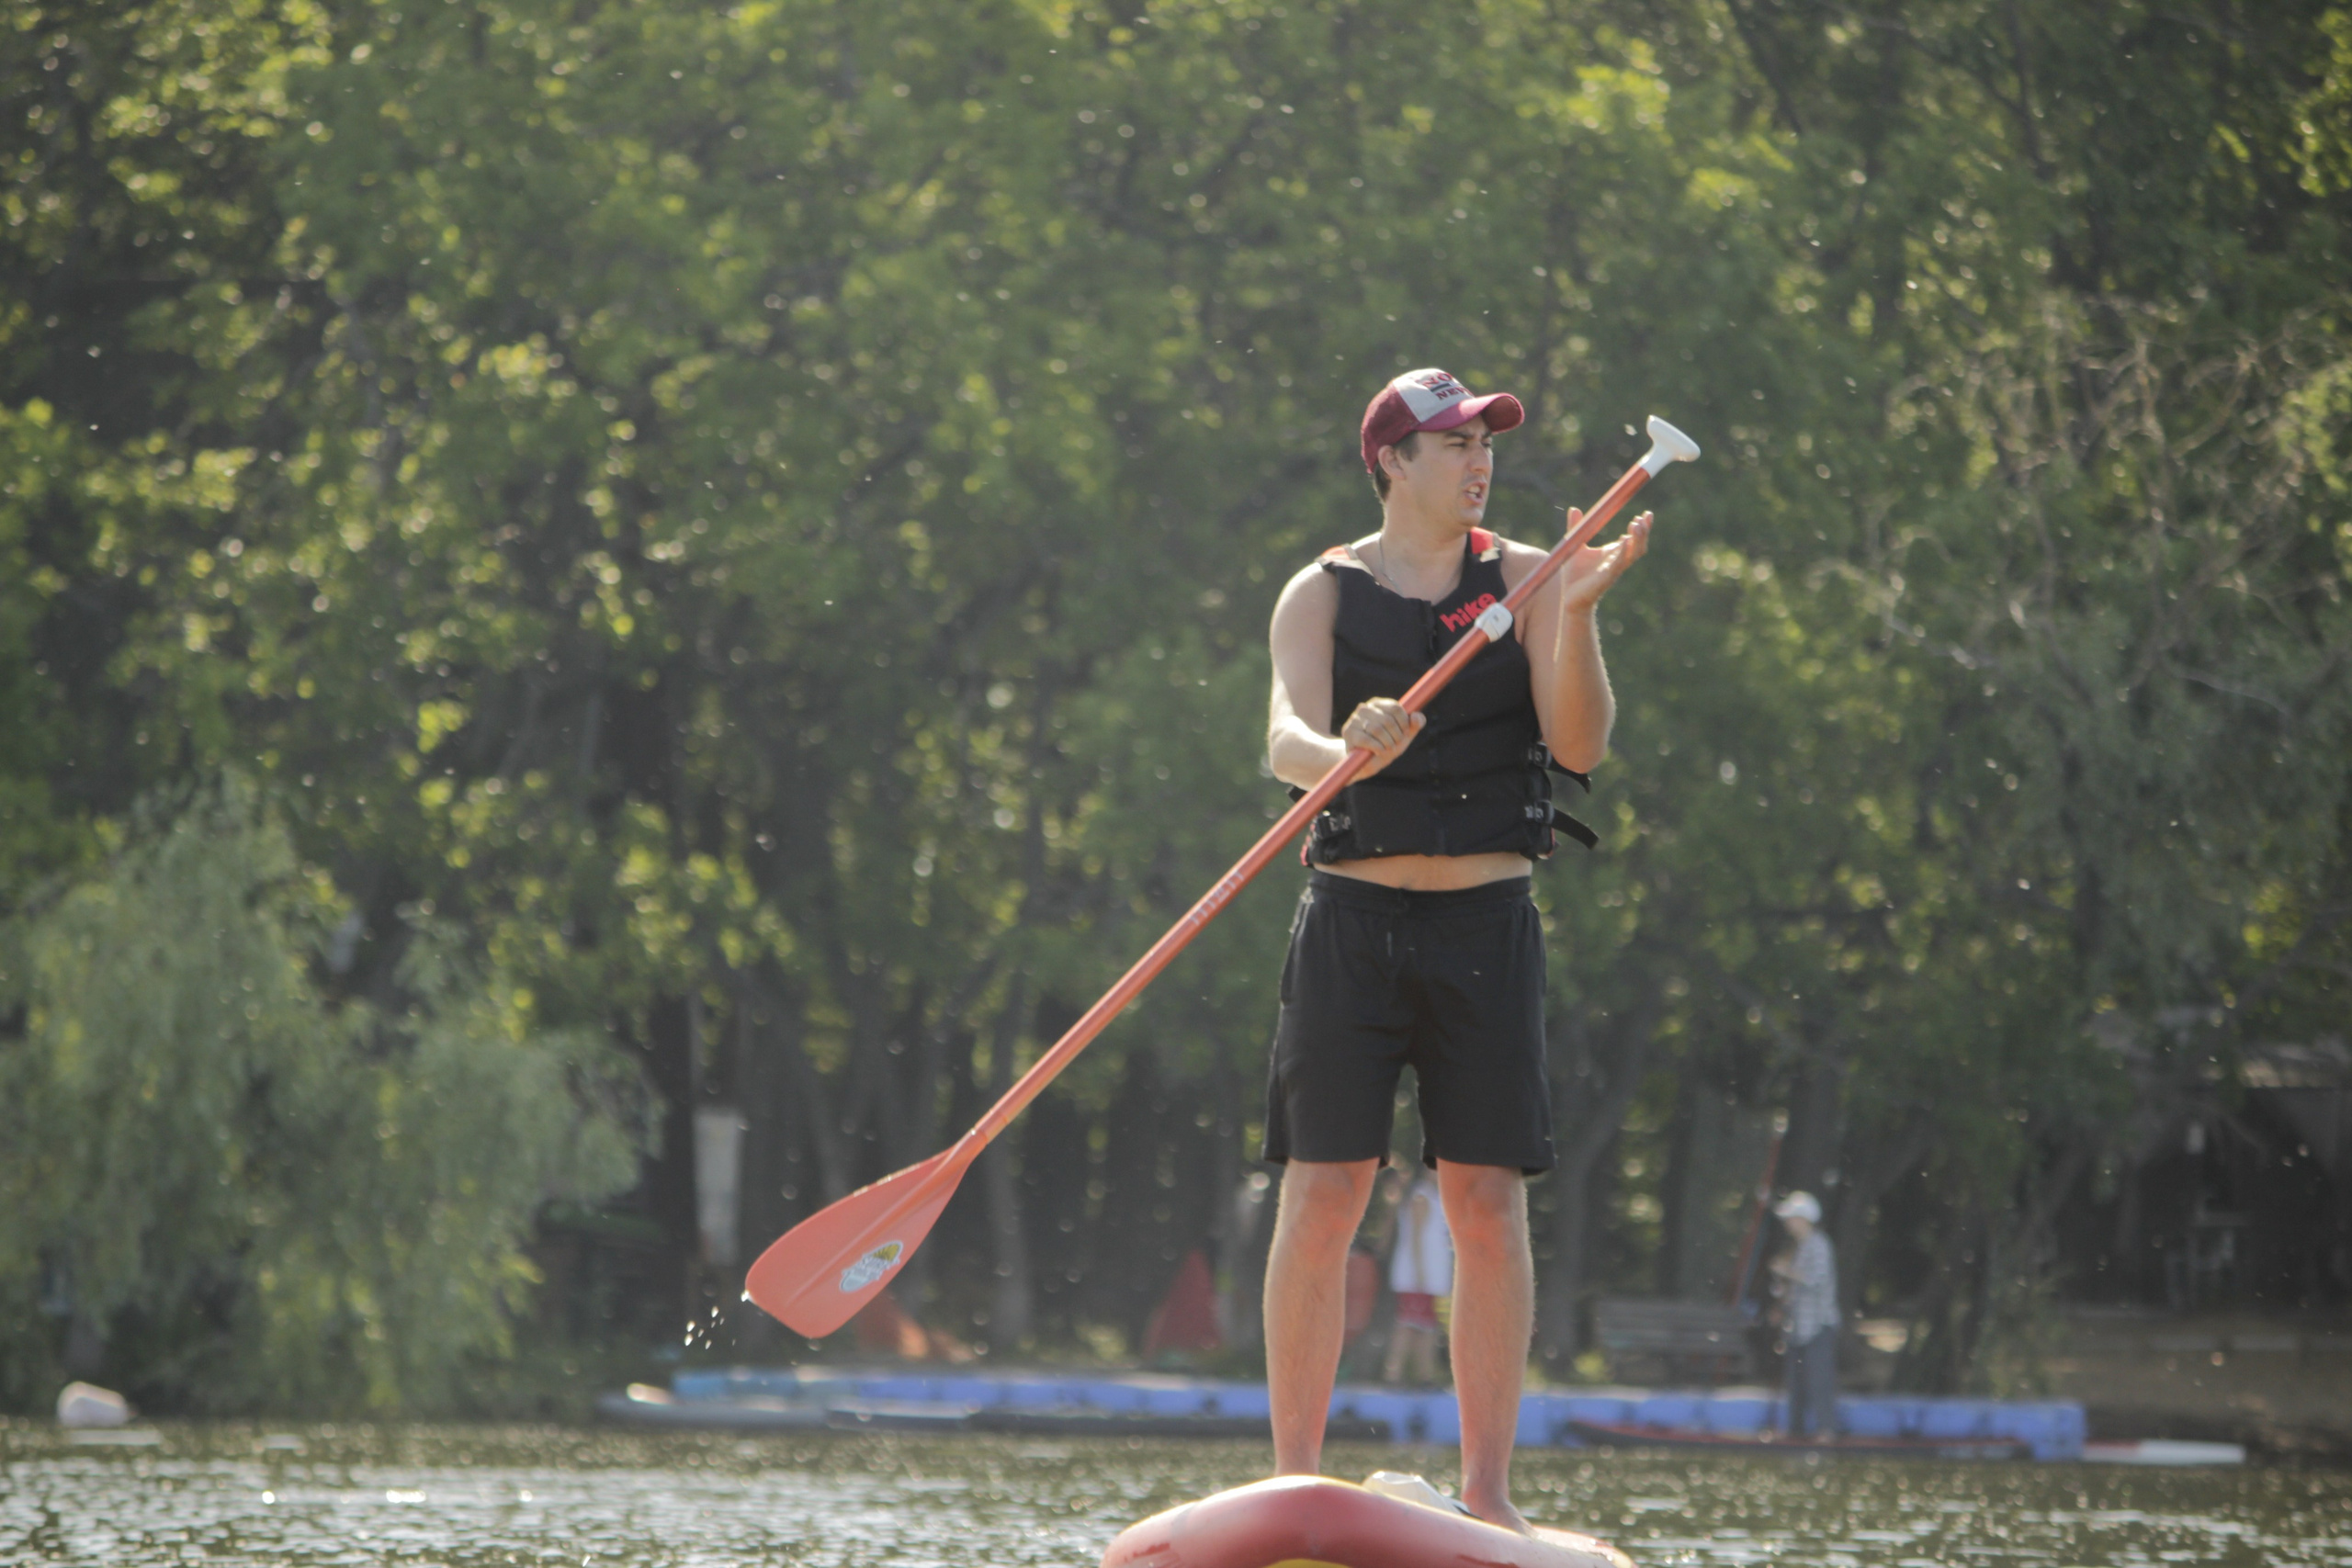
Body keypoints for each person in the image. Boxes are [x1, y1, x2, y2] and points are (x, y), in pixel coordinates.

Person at [1259, 367, 1651, 1533]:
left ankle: (1489, 1496)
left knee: (1484, 1200)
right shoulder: (1319, 592)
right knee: (1324, 1193)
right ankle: (1291, 1481)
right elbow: (1282, 737)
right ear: (1391, 462)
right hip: (1350, 922)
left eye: (1485, 439)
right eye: (1452, 441)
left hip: (1486, 925)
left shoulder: (1532, 577)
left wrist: (1574, 616)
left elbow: (1580, 740)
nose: (1479, 457)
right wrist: (1342, 745)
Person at [1771, 1190, 1838, 1438]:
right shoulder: (1798, 1248)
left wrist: (1787, 1272)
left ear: (1803, 1219)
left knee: (1819, 1380)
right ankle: (1795, 1431)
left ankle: (1827, 1431)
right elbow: (1795, 1289)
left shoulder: (1819, 1245)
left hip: (1818, 1326)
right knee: (1796, 1382)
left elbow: (1817, 1281)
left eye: (1791, 1217)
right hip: (1797, 1328)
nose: (1787, 1223)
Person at [1383, 1169, 1453, 1385]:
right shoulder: (1421, 1197)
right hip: (1417, 1275)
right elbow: (1415, 1237)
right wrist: (1420, 1271)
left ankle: (1425, 1375)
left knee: (1426, 1325)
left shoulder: (1438, 1197)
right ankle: (1393, 1375)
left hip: (1429, 1277)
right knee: (1409, 1323)